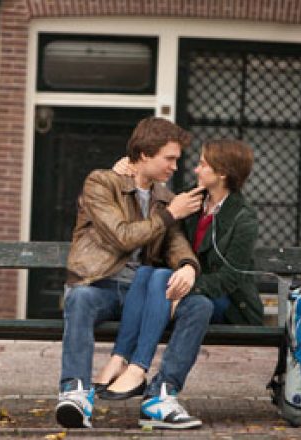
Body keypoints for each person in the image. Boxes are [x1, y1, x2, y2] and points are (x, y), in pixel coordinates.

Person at [56, 117, 213, 430]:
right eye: (169, 158)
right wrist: (171, 214)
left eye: (177, 159)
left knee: (199, 306)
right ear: (144, 154)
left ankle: (161, 396)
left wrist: (188, 265)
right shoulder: (102, 183)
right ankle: (76, 393)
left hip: (142, 293)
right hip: (101, 286)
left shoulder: (165, 198)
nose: (175, 167)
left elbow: (175, 243)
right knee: (79, 299)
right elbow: (122, 236)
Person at [96, 139, 262, 428]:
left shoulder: (243, 218)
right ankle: (150, 386)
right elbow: (156, 221)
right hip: (185, 294)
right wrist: (126, 173)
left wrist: (185, 288)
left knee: (193, 300)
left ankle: (141, 372)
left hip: (227, 301)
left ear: (222, 173)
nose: (196, 169)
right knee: (151, 275)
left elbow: (229, 279)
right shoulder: (193, 200)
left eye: (203, 164)